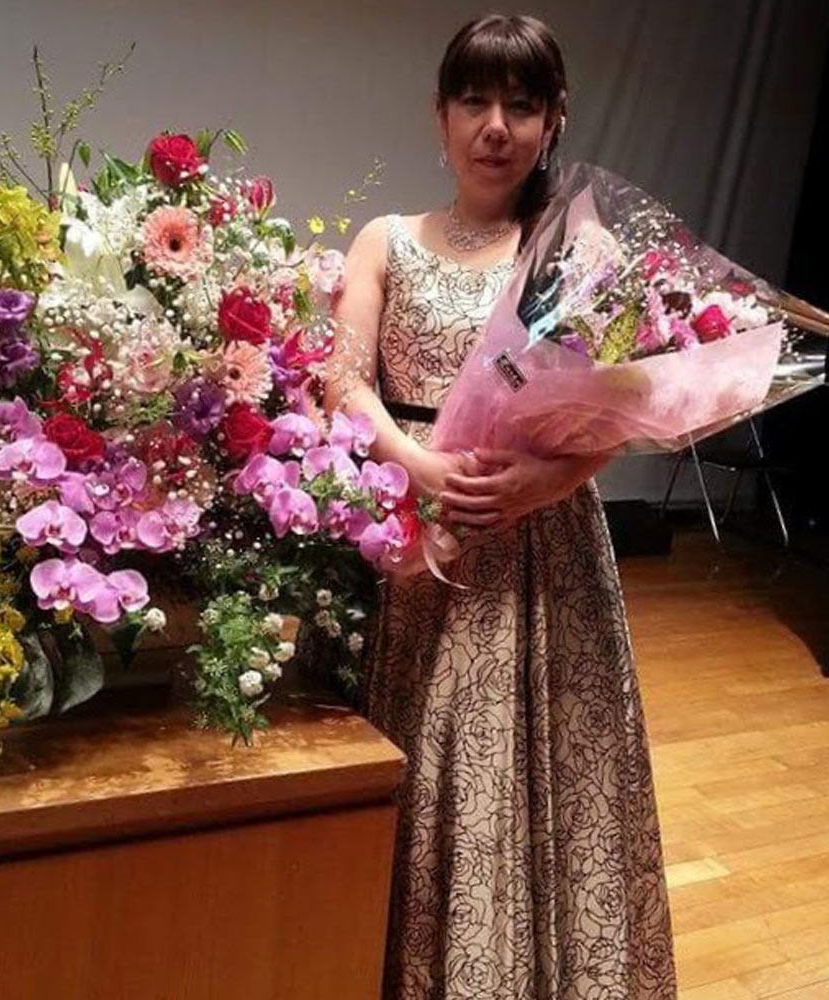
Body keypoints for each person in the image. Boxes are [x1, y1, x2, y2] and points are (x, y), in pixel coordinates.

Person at [325, 13, 678, 1000]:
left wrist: (541, 483)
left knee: (522, 774)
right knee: (414, 759)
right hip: (406, 537)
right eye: (474, 101)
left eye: (520, 106)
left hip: (540, 556)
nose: (495, 126)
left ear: (553, 120)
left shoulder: (578, 248)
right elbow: (342, 382)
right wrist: (414, 462)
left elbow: (622, 408)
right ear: (438, 115)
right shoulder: (385, 239)